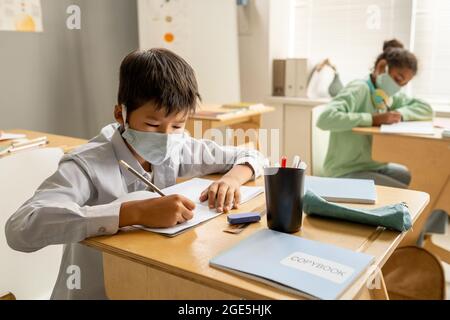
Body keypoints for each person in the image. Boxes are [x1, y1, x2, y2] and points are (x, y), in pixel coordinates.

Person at [5, 48, 266, 299]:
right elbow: (20, 228)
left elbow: (252, 156)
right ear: (121, 114)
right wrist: (134, 212)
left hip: (151, 283)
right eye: (152, 124)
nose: (166, 137)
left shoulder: (178, 146)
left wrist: (231, 179)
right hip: (97, 291)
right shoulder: (88, 163)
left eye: (177, 124)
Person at [316, 39, 433, 189]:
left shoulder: (387, 95)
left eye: (403, 84)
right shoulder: (359, 88)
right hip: (346, 171)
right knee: (413, 193)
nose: (398, 87)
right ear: (382, 67)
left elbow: (426, 108)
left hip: (375, 165)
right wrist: (371, 119)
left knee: (426, 181)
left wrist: (399, 114)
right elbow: (325, 119)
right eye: (398, 79)